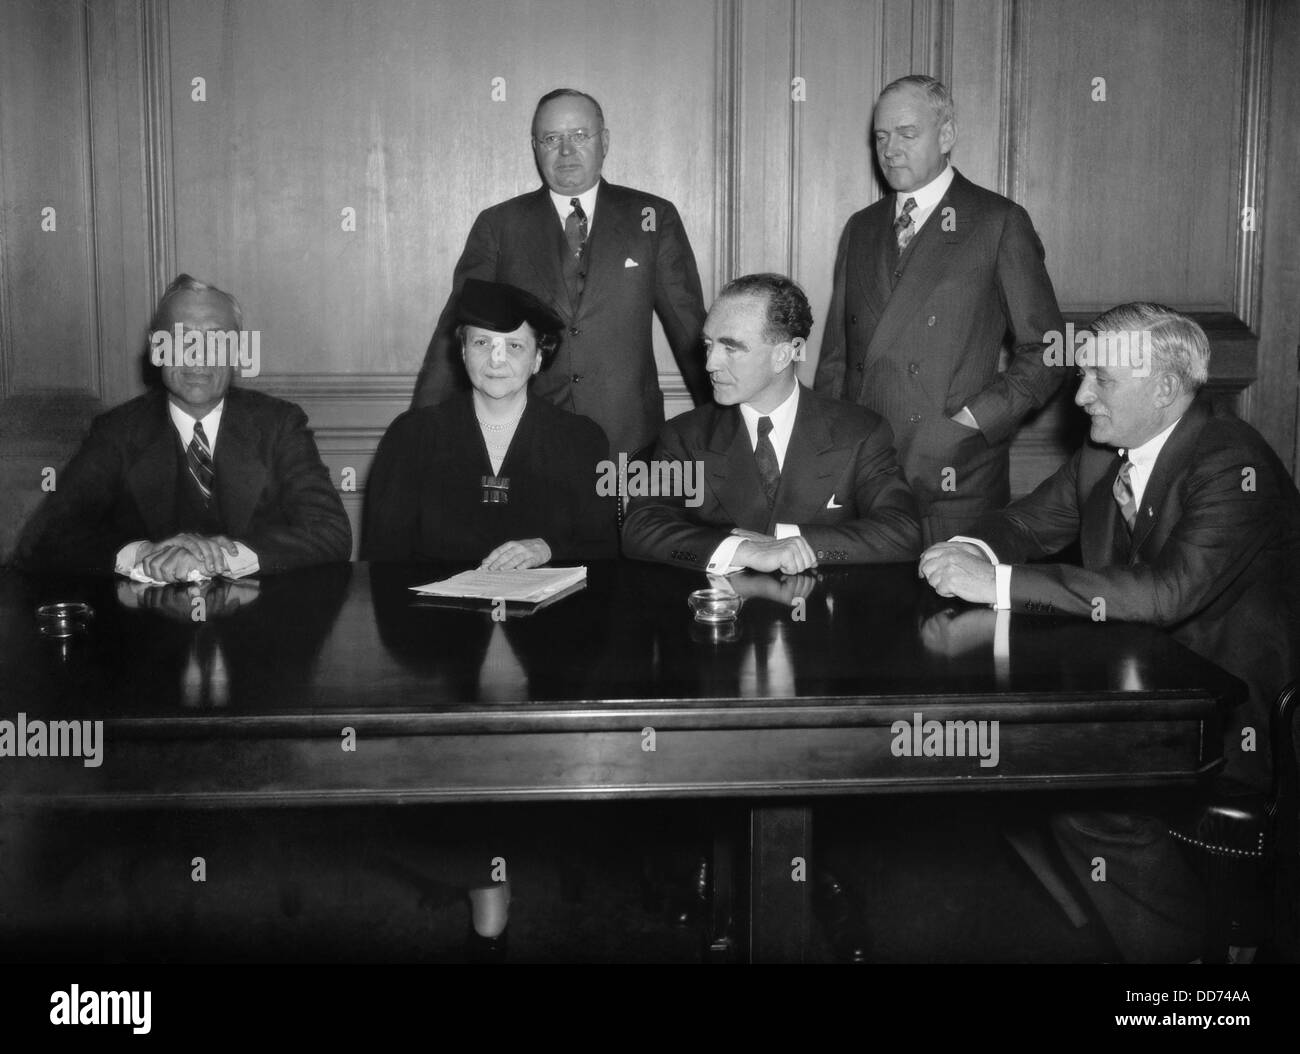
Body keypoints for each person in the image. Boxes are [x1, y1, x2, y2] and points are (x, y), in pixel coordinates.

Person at [919, 303, 1300, 960]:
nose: (1081, 394)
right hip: (1145, 696)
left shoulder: (1232, 463)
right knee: (1011, 765)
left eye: (1101, 379)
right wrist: (970, 549)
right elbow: (1023, 525)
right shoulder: (1107, 456)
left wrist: (999, 585)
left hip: (1238, 725)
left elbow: (1164, 594)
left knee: (1077, 793)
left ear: (1163, 388)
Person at [815, 74, 1065, 545]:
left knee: (948, 615)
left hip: (955, 477)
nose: (890, 150)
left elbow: (1049, 350)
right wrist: (828, 447)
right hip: (864, 472)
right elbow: (837, 356)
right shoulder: (862, 227)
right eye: (881, 137)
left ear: (946, 135)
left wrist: (971, 423)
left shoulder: (997, 221)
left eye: (907, 134)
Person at [411, 88, 709, 459]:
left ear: (605, 141)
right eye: (552, 138)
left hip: (630, 443)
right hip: (530, 439)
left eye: (580, 136)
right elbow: (454, 332)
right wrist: (420, 431)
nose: (566, 151)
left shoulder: (652, 217)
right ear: (535, 147)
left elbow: (691, 332)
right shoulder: (500, 225)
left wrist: (725, 425)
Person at [18, 275, 351, 580]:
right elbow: (45, 538)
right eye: (181, 339)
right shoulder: (117, 432)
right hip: (146, 634)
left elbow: (330, 531)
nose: (198, 356)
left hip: (257, 632)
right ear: (156, 348)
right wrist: (143, 554)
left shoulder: (279, 425)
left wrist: (220, 558)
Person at [622, 273, 920, 571]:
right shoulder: (685, 435)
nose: (711, 363)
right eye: (708, 344)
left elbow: (901, 533)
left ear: (782, 355)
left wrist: (789, 542)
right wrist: (744, 551)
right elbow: (640, 529)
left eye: (731, 348)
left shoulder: (860, 432)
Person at [362, 278, 617, 567]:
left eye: (514, 346)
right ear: (463, 352)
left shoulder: (580, 440)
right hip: (435, 610)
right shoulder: (412, 437)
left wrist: (549, 549)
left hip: (551, 609)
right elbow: (383, 560)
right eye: (482, 343)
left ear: (537, 359)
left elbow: (603, 550)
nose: (497, 360)